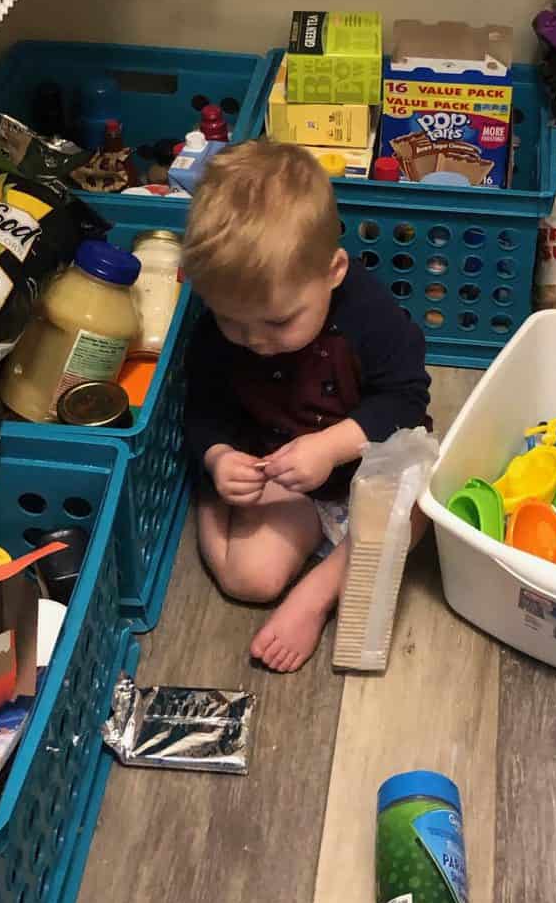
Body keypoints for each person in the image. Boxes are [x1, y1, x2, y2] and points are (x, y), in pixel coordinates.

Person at [182, 139, 431, 672]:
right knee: (249, 579)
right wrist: (219, 461)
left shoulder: (370, 314)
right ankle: (208, 503)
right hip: (281, 478)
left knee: (424, 506)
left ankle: (315, 596)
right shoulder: (219, 332)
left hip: (371, 468)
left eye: (277, 322)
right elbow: (203, 409)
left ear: (334, 271)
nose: (253, 340)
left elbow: (407, 400)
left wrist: (332, 445)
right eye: (231, 321)